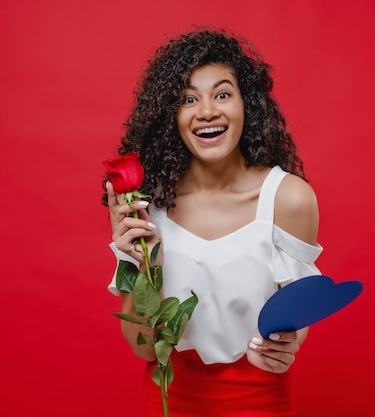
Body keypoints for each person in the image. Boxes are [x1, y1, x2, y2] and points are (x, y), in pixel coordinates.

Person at [103, 27, 322, 417]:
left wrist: (288, 343)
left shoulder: (287, 198)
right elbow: (142, 346)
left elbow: (295, 312)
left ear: (246, 105)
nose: (207, 111)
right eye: (189, 98)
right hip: (171, 400)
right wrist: (145, 266)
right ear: (172, 115)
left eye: (222, 94)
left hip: (260, 400)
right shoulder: (143, 206)